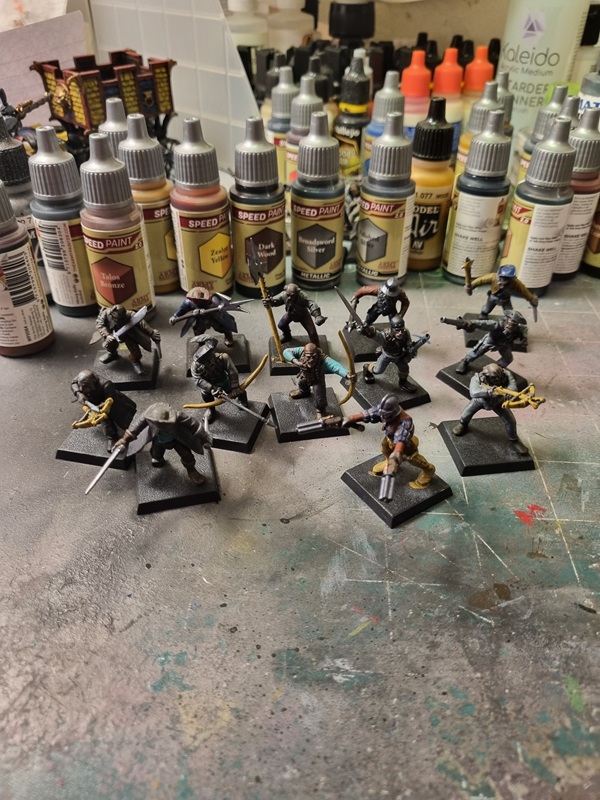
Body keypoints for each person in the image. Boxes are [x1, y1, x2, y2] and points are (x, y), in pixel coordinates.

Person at [343, 393, 436, 490]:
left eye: (386, 416)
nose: (383, 417)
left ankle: (428, 470)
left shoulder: (405, 421)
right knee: (385, 449)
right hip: (390, 438)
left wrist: (395, 456)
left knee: (413, 459)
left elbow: (401, 439)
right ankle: (388, 461)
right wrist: (351, 418)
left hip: (405, 444)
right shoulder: (386, 410)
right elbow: (370, 413)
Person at [114, 402, 210, 486]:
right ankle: (158, 458)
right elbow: (135, 428)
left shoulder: (178, 416)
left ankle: (192, 471)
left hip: (177, 439)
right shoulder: (148, 416)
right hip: (159, 439)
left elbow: (195, 425)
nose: (163, 426)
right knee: (156, 454)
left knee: (187, 456)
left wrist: (205, 438)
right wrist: (124, 440)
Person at [452, 363, 529, 456]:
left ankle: (514, 440)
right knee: (466, 413)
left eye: (498, 376)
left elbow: (513, 386)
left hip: (499, 402)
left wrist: (509, 392)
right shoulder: (477, 378)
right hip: (480, 400)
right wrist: (490, 393)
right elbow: (473, 392)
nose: (497, 379)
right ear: (486, 375)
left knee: (511, 421)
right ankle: (463, 424)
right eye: (494, 377)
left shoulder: (507, 374)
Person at [70, 369, 137, 451]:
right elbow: (73, 383)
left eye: (84, 386)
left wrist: (102, 408)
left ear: (93, 382)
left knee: (120, 418)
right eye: (80, 386)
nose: (81, 389)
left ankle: (129, 430)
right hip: (94, 402)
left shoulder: (107, 385)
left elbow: (110, 400)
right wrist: (78, 394)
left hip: (110, 402)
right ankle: (112, 436)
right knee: (105, 421)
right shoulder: (82, 379)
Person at [283, 342, 354, 414]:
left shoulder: (323, 359)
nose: (311, 360)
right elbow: (286, 351)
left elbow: (335, 366)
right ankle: (304, 392)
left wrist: (347, 374)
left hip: (318, 380)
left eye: (313, 357)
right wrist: (295, 361)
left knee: (320, 400)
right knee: (302, 385)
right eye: (308, 357)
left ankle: (321, 411)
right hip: (304, 376)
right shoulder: (301, 351)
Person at [190, 337, 248, 423]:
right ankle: (211, 410)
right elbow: (198, 380)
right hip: (207, 384)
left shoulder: (223, 358)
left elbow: (232, 371)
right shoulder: (196, 367)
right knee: (206, 396)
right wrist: (212, 388)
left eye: (210, 358)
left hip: (222, 379)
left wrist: (235, 386)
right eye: (206, 361)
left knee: (237, 391)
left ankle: (242, 400)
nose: (209, 362)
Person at [360, 315, 425, 392]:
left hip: (399, 355)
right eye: (397, 330)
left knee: (404, 368)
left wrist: (411, 350)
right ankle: (367, 368)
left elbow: (408, 343)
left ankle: (403, 383)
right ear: (392, 329)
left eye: (402, 330)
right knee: (378, 370)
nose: (400, 333)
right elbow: (375, 334)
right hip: (387, 355)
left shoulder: (405, 333)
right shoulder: (385, 336)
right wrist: (367, 330)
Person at [95, 305, 161, 376]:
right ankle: (112, 354)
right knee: (110, 345)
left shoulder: (131, 315)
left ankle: (136, 362)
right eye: (116, 319)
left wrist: (151, 332)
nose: (118, 321)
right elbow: (100, 324)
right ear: (111, 315)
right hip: (111, 334)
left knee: (136, 352)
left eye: (120, 319)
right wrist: (107, 335)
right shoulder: (105, 313)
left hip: (128, 335)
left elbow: (142, 324)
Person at [455, 310, 526, 375]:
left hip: (503, 344)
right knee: (476, 352)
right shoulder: (496, 325)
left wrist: (523, 338)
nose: (511, 326)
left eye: (514, 324)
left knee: (508, 358)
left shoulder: (517, 329)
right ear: (506, 319)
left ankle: (497, 368)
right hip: (490, 341)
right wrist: (471, 323)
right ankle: (465, 361)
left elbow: (523, 332)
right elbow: (482, 323)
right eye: (510, 322)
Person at [168, 286, 237, 346]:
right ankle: (201, 343)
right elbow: (182, 310)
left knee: (222, 328)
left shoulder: (213, 299)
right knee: (198, 331)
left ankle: (228, 337)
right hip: (201, 319)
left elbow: (219, 309)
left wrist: (207, 310)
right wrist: (174, 316)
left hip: (213, 317)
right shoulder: (189, 302)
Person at [467, 264, 538, 318]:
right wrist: (471, 286)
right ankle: (483, 315)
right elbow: (481, 280)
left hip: (506, 299)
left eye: (506, 279)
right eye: (502, 278)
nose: (503, 281)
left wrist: (531, 298)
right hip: (493, 297)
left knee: (509, 312)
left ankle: (508, 321)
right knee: (486, 309)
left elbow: (523, 290)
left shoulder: (515, 282)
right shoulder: (493, 277)